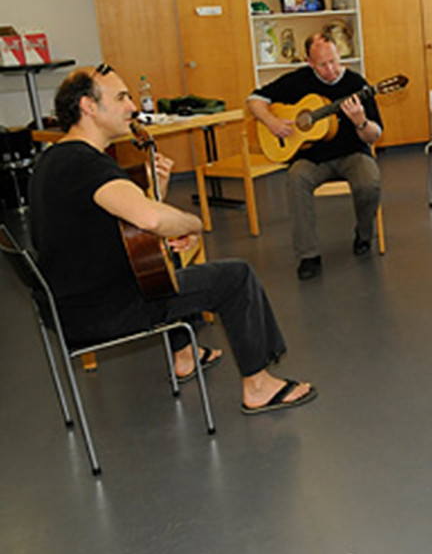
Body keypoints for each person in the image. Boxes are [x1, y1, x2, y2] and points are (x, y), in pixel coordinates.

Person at [28, 65, 316, 414]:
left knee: (167, 259)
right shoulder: (87, 165)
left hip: (67, 309)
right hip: (104, 311)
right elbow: (150, 219)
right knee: (235, 277)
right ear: (88, 106)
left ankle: (186, 354)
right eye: (121, 98)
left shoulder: (54, 159)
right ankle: (258, 387)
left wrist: (155, 195)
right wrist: (193, 224)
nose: (133, 107)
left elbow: (109, 231)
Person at [248, 33, 382, 280]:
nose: (330, 69)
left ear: (339, 55)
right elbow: (254, 99)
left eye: (334, 61)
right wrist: (271, 121)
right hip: (312, 159)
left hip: (352, 154)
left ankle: (364, 234)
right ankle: (308, 255)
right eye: (322, 65)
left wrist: (360, 121)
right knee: (296, 178)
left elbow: (374, 135)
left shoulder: (356, 84)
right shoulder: (297, 80)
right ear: (310, 62)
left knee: (369, 182)